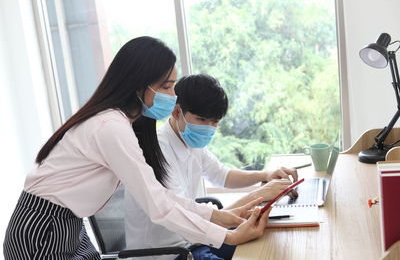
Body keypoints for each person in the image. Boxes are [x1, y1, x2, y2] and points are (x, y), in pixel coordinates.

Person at [3, 37, 270, 260]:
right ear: (139, 85)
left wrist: (222, 217)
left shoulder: (127, 124)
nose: (173, 96)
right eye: (166, 86)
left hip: (68, 223)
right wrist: (229, 234)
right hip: (43, 228)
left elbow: (161, 197)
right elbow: (159, 206)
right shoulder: (110, 126)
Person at [125, 74, 298, 260]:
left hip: (194, 242)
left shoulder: (190, 141)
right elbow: (183, 215)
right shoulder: (157, 151)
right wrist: (258, 195)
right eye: (202, 120)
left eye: (214, 122)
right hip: (169, 254)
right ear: (177, 112)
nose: (208, 128)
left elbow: (223, 175)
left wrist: (266, 175)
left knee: (269, 243)